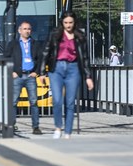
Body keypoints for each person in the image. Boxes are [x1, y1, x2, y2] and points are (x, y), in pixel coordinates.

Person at [40, 11, 94, 139]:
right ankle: (58, 127)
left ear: (74, 23)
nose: (68, 25)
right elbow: (45, 52)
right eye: (66, 23)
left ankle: (68, 132)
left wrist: (88, 77)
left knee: (70, 102)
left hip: (73, 69)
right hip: (56, 68)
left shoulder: (80, 36)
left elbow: (85, 58)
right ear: (62, 23)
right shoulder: (55, 35)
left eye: (70, 22)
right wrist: (42, 72)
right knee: (57, 100)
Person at [4, 21, 44, 135]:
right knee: (13, 102)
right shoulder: (13, 44)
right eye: (25, 29)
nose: (27, 31)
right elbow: (6, 58)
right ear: (19, 30)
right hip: (18, 76)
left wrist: (37, 72)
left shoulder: (35, 44)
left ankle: (36, 127)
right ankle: (11, 125)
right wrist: (11, 72)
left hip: (30, 76)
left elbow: (40, 59)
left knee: (34, 102)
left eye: (29, 29)